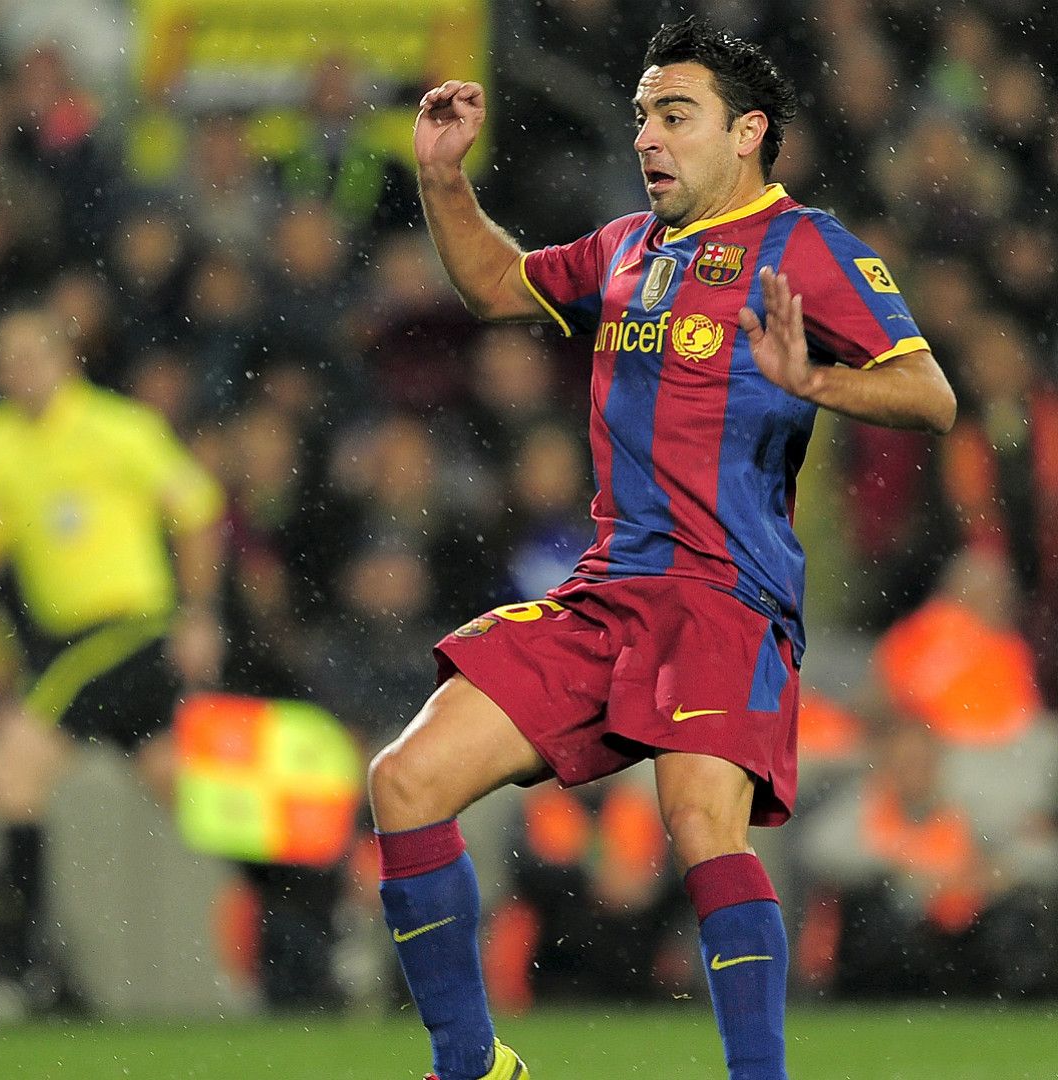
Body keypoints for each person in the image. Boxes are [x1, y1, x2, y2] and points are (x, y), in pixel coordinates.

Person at [367, 19, 956, 1080]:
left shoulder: (806, 246)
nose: (648, 136)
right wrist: (444, 181)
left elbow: (930, 395)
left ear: (747, 134)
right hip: (608, 591)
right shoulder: (626, 248)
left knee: (699, 824)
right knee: (404, 782)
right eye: (642, 114)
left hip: (724, 595)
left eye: (674, 114)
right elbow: (496, 286)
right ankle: (472, 1066)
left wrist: (818, 380)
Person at [0, 306, 225, 1016]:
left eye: (29, 353)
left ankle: (17, 972)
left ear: (63, 357)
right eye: (3, 358)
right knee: (187, 791)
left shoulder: (118, 427)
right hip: (61, 642)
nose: (17, 370)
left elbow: (196, 508)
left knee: (14, 774)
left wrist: (198, 614)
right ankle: (311, 918)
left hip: (129, 633)